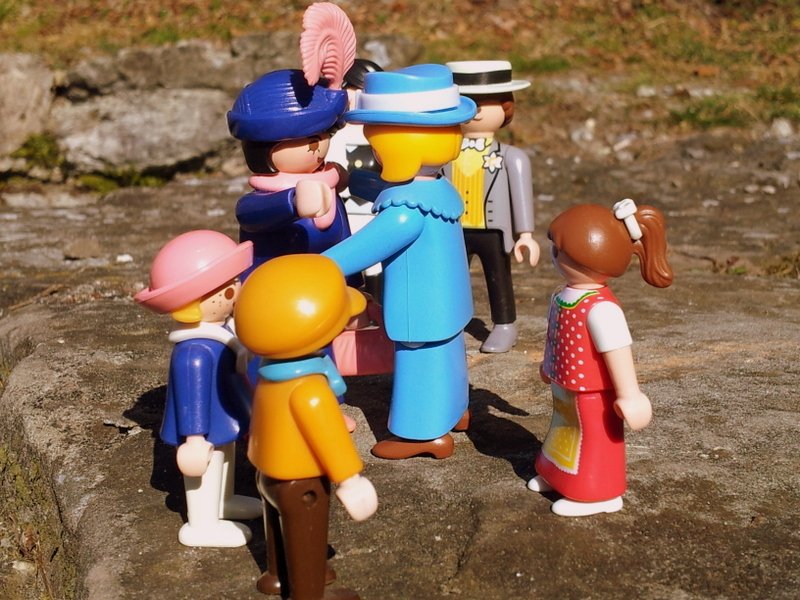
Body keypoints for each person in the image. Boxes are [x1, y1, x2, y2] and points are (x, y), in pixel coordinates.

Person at [323, 64, 477, 460]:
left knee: (418, 366)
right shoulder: (439, 188)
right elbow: (391, 187)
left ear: (397, 149)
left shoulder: (405, 212)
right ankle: (456, 409)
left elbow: (365, 248)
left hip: (419, 308)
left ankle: (421, 433)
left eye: (377, 148)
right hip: (450, 301)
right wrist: (357, 182)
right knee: (450, 356)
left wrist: (319, 266)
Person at [234, 254, 378, 599]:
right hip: (302, 480)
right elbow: (329, 436)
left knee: (277, 529)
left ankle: (277, 576)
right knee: (306, 533)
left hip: (266, 472)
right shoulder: (310, 388)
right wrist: (351, 479)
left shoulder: (269, 375)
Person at [527, 199, 673, 517]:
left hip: (593, 393)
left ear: (593, 259)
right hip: (565, 384)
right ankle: (557, 475)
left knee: (593, 440)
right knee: (563, 430)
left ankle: (598, 494)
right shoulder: (564, 295)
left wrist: (630, 394)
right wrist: (548, 364)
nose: (554, 256)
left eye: (560, 251)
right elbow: (555, 334)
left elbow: (618, 351)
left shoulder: (602, 308)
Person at [134, 230, 261, 546]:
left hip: (225, 413)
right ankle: (202, 524)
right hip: (204, 425)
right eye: (229, 290)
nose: (237, 291)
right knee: (208, 465)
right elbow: (192, 395)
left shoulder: (219, 335)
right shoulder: (194, 351)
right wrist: (193, 439)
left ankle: (223, 501)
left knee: (226, 455)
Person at [443, 60, 540, 353]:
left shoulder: (512, 156)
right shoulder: (445, 153)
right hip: (454, 227)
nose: (475, 111)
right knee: (451, 278)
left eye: (484, 103)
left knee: (498, 278)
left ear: (505, 107)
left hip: (494, 230)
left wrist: (526, 235)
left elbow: (520, 195)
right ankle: (450, 324)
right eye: (466, 102)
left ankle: (505, 324)